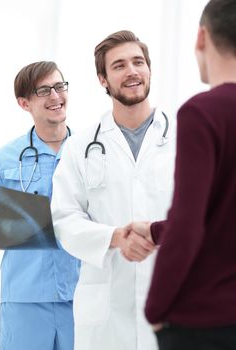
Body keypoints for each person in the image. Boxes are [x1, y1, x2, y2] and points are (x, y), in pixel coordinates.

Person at [51, 30, 176, 350]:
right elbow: (63, 218)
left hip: (174, 300)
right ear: (103, 79)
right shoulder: (81, 146)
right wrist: (116, 237)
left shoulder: (183, 137)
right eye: (119, 65)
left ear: (149, 70)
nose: (132, 70)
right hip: (105, 311)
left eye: (138, 62)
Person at [128, 1, 236, 349]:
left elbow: (190, 223)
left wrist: (155, 309)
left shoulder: (203, 112)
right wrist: (156, 230)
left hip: (205, 321)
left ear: (201, 37)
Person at [0, 61, 80, 350]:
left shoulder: (88, 154)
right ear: (24, 103)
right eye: (43, 90)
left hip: (82, 294)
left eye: (59, 86)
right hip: (25, 298)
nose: (56, 96)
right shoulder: (3, 160)